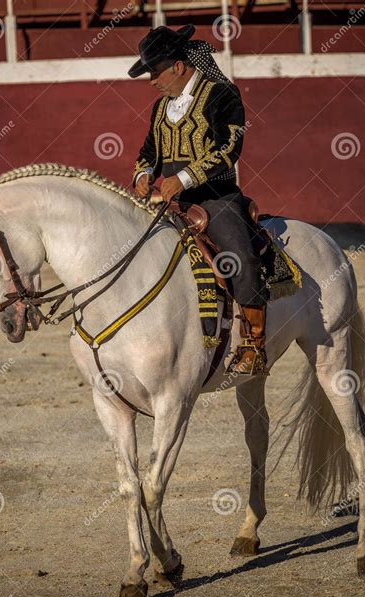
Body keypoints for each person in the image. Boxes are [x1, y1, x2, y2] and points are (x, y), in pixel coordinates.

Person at [128, 24, 267, 375]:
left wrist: (183, 178)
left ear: (177, 66)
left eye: (155, 72)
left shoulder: (222, 95)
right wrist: (143, 175)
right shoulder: (161, 108)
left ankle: (253, 345)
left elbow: (228, 149)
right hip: (168, 202)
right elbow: (148, 153)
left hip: (215, 197)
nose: (151, 80)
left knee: (240, 257)